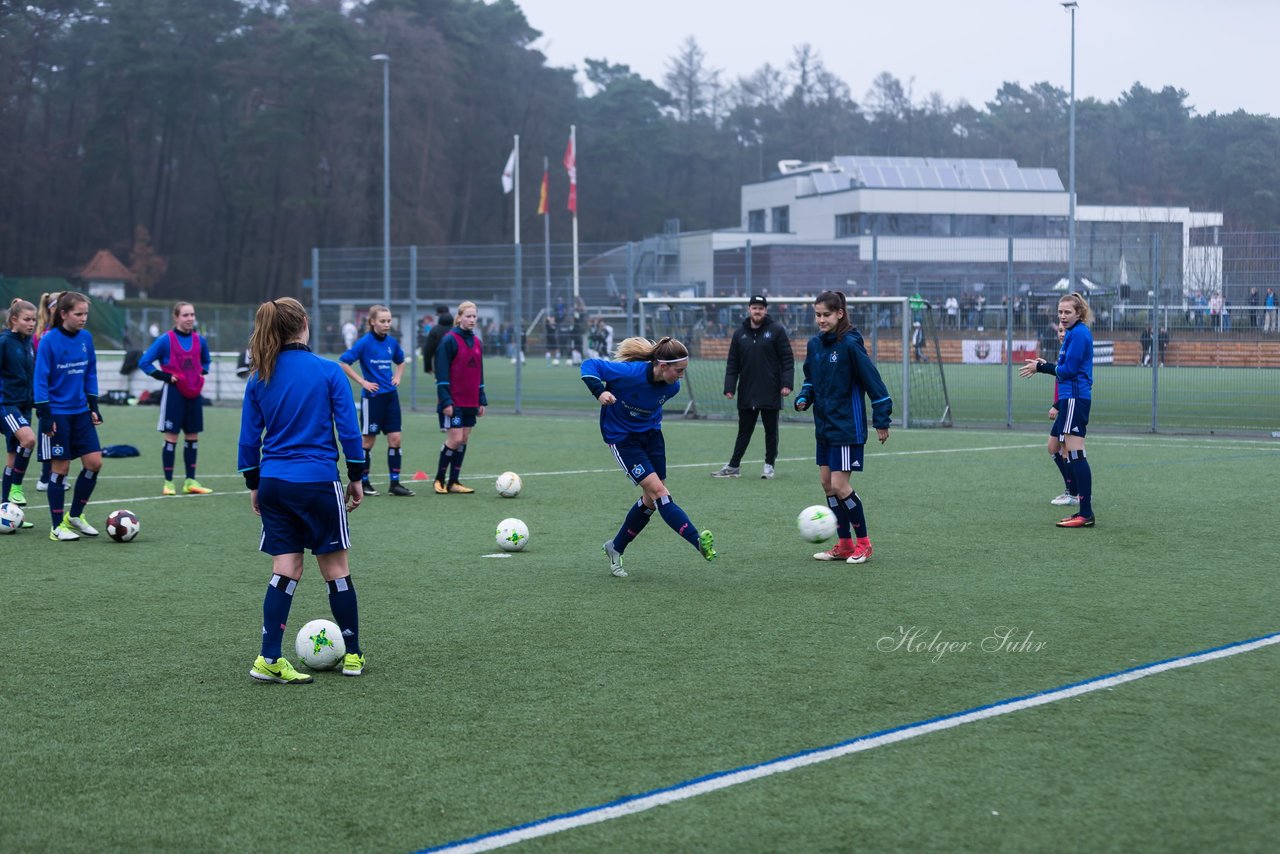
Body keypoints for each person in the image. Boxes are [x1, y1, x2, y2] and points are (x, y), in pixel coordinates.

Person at [238, 297, 367, 683]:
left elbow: (248, 441)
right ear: (304, 324)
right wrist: (356, 475)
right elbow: (348, 431)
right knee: (336, 570)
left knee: (285, 568)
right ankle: (354, 654)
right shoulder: (328, 372)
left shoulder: (259, 375)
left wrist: (254, 484)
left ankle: (269, 658)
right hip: (317, 483)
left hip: (275, 483)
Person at [582, 336, 717, 578]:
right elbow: (589, 365)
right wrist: (600, 392)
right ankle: (697, 540)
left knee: (651, 499)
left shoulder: (672, 387)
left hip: (653, 437)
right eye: (679, 370)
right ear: (662, 366)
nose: (681, 376)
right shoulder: (630, 372)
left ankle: (615, 547)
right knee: (660, 493)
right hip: (623, 439)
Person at [794, 291, 892, 564]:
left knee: (840, 484)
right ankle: (845, 544)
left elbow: (874, 382)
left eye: (826, 314)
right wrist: (804, 397)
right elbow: (811, 379)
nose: (821, 320)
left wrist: (882, 419)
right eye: (817, 315)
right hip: (824, 426)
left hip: (847, 427)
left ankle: (864, 544)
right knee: (827, 484)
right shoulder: (814, 345)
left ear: (840, 313)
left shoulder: (850, 344)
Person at [32, 292, 104, 541]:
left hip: (81, 412)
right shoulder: (49, 341)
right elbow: (40, 379)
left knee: (94, 463)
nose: (84, 319)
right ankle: (55, 526)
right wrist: (45, 413)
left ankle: (74, 516)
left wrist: (93, 403)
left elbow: (90, 371)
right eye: (78, 314)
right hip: (56, 414)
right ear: (63, 314)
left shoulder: (86, 338)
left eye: (86, 314)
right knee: (60, 469)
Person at [1020, 292, 1096, 528]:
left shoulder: (1080, 334)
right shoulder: (1073, 333)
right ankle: (1083, 509)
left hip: (1074, 398)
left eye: (1067, 312)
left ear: (1079, 313)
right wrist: (1046, 365)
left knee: (1075, 452)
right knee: (1070, 453)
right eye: (1060, 312)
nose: (1063, 316)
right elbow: (1064, 367)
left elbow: (1068, 370)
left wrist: (1041, 367)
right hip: (1071, 398)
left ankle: (1085, 512)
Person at [711, 295, 794, 480]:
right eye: (754, 307)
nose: (757, 311)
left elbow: (787, 359)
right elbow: (732, 363)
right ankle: (733, 466)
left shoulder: (776, 330)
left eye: (761, 308)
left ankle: (769, 466)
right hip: (747, 392)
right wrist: (729, 387)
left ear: (766, 310)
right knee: (744, 431)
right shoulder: (739, 333)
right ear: (749, 309)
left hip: (770, 390)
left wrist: (787, 383)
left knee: (771, 432)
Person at [138, 302, 214, 495]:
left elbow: (206, 360)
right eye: (185, 315)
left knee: (192, 437)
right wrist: (165, 377)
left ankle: (190, 481)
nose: (190, 318)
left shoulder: (200, 340)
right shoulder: (166, 340)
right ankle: (169, 483)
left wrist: (202, 371)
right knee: (171, 437)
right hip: (174, 395)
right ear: (176, 317)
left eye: (192, 315)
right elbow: (144, 362)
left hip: (194, 394)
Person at [340, 304, 413, 497]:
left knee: (396, 439)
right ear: (372, 322)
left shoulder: (391, 342)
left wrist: (398, 377)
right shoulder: (364, 343)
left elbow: (400, 361)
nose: (387, 324)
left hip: (391, 397)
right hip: (372, 399)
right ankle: (363, 482)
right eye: (383, 321)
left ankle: (395, 484)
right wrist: (363, 381)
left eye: (389, 321)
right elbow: (344, 362)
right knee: (368, 442)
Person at [433, 301, 486, 494]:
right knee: (454, 439)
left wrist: (481, 399)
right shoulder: (449, 340)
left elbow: (480, 373)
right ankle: (439, 479)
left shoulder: (478, 342)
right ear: (459, 317)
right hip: (453, 401)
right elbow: (441, 373)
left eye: (474, 316)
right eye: (468, 316)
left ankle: (454, 481)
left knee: (464, 439)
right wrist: (446, 400)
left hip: (471, 400)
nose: (472, 320)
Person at [1, 299, 38, 523]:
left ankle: (8, 512)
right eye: (27, 319)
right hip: (6, 404)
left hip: (24, 405)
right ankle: (16, 486)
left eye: (34, 319)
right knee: (29, 440)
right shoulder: (5, 342)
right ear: (14, 320)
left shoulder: (28, 343)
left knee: (13, 458)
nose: (32, 323)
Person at [31, 291, 62, 493]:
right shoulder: (43, 335)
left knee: (62, 434)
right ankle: (45, 476)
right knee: (48, 433)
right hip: (48, 393)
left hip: (62, 393)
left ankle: (58, 474)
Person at [420, 305, 454, 431]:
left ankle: (443, 423)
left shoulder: (435, 330)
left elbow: (428, 350)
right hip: (456, 366)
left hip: (440, 366)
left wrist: (428, 366)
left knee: (442, 393)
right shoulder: (456, 330)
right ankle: (454, 420)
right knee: (454, 393)